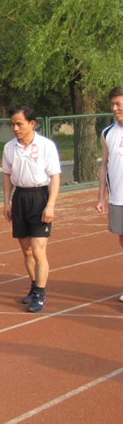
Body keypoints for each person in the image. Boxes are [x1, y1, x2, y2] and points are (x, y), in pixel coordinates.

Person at [2, 105, 61, 313]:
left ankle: (40, 294)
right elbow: (7, 175)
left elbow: (55, 176)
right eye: (12, 124)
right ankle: (34, 285)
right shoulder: (9, 147)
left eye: (19, 124)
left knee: (38, 249)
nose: (15, 128)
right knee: (26, 249)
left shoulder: (46, 146)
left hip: (39, 197)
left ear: (32, 123)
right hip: (20, 197)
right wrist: (7, 202)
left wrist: (50, 205)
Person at [96, 86, 123, 303]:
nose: (114, 108)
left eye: (119, 104)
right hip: (118, 199)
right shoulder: (107, 133)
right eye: (112, 104)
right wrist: (101, 197)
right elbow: (104, 165)